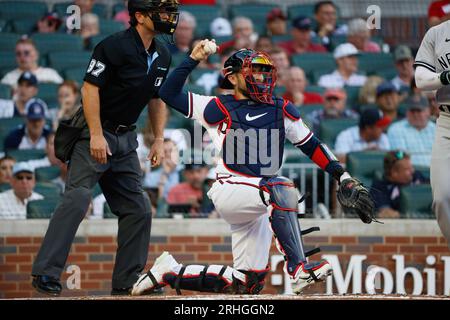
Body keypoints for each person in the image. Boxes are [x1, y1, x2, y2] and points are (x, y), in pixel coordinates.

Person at [131, 41, 375, 296]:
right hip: (231, 188)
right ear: (233, 77)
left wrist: (343, 176)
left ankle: (168, 273)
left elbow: (312, 145)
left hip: (260, 199)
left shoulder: (281, 108)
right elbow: (168, 93)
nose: (260, 77)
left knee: (247, 283)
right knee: (281, 186)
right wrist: (193, 58)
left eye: (264, 72)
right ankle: (298, 268)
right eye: (253, 71)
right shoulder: (218, 105)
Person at [31, 0, 180, 297]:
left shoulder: (162, 52)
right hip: (94, 134)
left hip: (126, 140)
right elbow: (89, 88)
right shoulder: (113, 45)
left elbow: (156, 98)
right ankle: (45, 273)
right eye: (161, 11)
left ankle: (127, 281)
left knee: (138, 208)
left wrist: (160, 138)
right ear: (139, 16)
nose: (169, 17)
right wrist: (97, 135)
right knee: (78, 197)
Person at [414, 19, 450, 244]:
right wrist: (444, 77)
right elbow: (420, 80)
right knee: (442, 197)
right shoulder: (437, 33)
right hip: (447, 120)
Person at [370, 150, 429, 219]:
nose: (412, 171)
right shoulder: (379, 188)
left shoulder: (417, 176)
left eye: (411, 167)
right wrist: (387, 211)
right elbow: (385, 210)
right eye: (407, 169)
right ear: (394, 173)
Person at [387, 95, 436, 167]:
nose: (415, 114)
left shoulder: (436, 129)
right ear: (407, 112)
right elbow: (400, 156)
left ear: (428, 111)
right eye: (412, 111)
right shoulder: (396, 129)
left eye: (419, 110)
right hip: (411, 173)